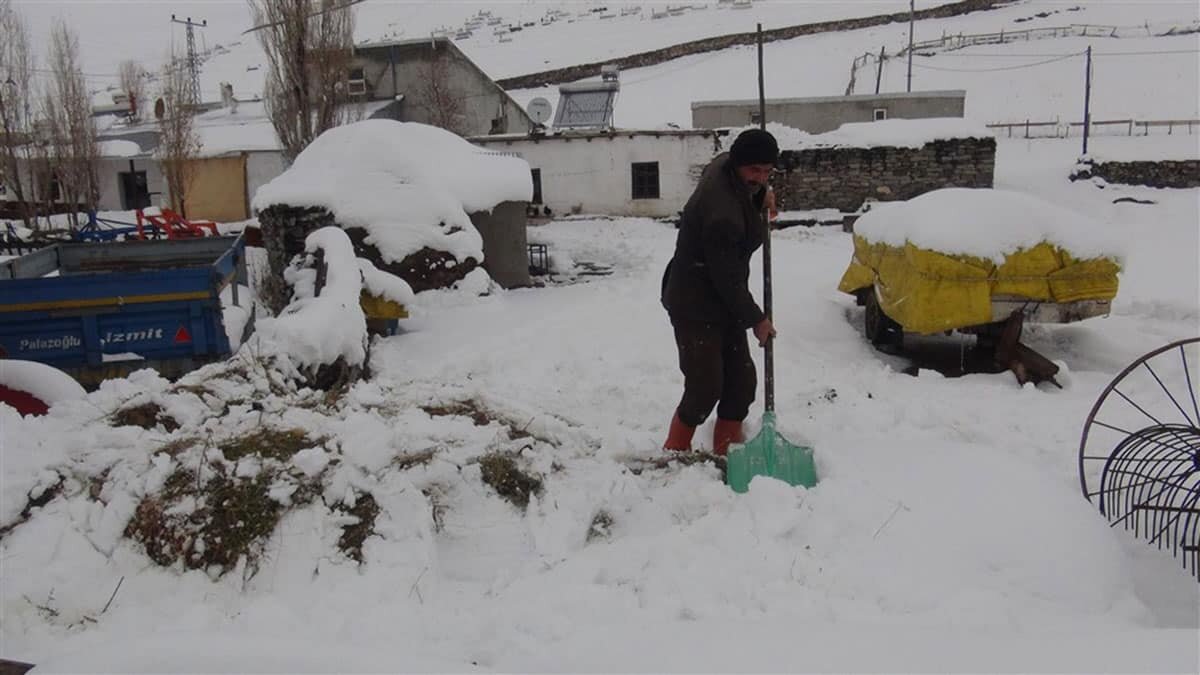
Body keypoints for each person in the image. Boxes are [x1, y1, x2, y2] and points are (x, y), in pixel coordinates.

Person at [660, 127, 779, 455]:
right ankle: (675, 452)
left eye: (767, 171)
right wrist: (757, 319)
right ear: (739, 164)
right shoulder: (721, 213)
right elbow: (725, 276)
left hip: (723, 301)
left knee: (741, 384)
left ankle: (725, 453)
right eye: (754, 171)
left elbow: (749, 182)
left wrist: (761, 194)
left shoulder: (727, 165)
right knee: (704, 386)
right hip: (694, 302)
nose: (760, 177)